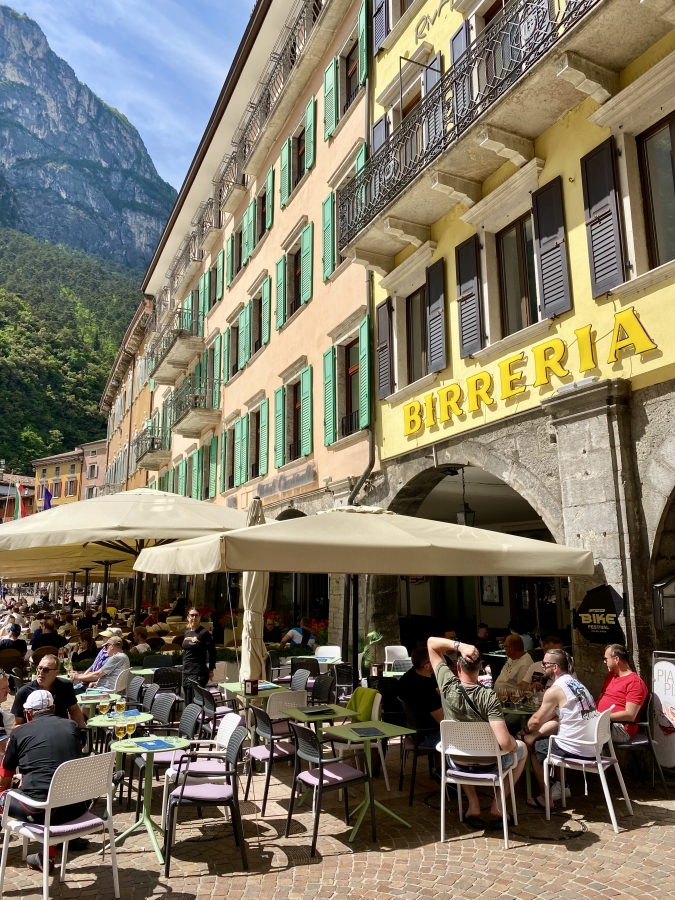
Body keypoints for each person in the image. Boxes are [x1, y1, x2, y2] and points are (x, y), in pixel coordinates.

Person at [427, 636, 526, 828]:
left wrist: (460, 646)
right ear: (480, 668)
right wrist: (515, 745)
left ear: (457, 667)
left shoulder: (447, 686)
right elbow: (505, 742)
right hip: (489, 763)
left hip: (457, 760)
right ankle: (498, 804)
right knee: (522, 752)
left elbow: (431, 643)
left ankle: (473, 805)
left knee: (463, 747)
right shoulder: (489, 696)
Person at [0, 690, 89, 872]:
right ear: (53, 708)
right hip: (77, 807)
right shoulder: (71, 726)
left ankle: (42, 857)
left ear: (28, 713)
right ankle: (46, 856)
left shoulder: (19, 732)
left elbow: (4, 781)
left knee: (3, 794)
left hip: (41, 811)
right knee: (47, 794)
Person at [521, 648, 598, 809]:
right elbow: (556, 718)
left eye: (544, 664)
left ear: (554, 667)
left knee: (532, 746)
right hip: (593, 746)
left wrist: (525, 732)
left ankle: (545, 797)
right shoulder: (576, 684)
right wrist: (535, 734)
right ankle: (559, 787)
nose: (542, 666)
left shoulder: (555, 690)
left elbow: (535, 721)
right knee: (539, 736)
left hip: (575, 748)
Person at [12, 655, 85, 728]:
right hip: (35, 732)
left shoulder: (65, 686)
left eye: (46, 670)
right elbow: (15, 724)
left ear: (56, 672)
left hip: (60, 729)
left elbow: (74, 710)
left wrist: (82, 730)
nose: (41, 672)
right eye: (39, 668)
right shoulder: (24, 692)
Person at [597, 644, 648, 741]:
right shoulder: (611, 677)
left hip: (620, 728)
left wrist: (601, 717)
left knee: (580, 728)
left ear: (616, 659)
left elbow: (630, 715)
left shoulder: (635, 683)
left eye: (606, 659)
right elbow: (601, 698)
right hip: (602, 722)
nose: (604, 662)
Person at [396, 647, 443, 745]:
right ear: (426, 666)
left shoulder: (412, 680)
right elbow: (443, 721)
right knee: (467, 736)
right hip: (428, 736)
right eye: (434, 659)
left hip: (416, 733)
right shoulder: (426, 689)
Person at [180, 609, 216, 705]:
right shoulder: (187, 633)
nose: (194, 617)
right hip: (186, 671)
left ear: (200, 617)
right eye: (192, 615)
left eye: (196, 615)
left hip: (198, 672)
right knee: (187, 701)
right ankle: (189, 716)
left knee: (195, 703)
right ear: (188, 617)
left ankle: (198, 716)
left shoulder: (204, 633)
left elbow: (212, 652)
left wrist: (211, 669)